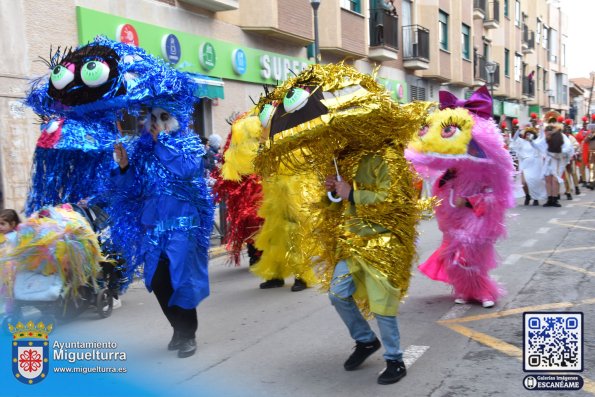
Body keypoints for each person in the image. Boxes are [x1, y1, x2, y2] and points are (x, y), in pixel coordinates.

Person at [112, 107, 213, 358]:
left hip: (183, 224)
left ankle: (187, 333)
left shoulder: (188, 143)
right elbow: (130, 188)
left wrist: (163, 142)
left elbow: (187, 170)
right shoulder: (143, 152)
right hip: (154, 228)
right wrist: (124, 166)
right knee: (157, 280)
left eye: (164, 117)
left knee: (182, 279)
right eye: (152, 118)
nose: (156, 123)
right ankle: (177, 327)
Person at [324, 153, 407, 386]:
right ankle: (366, 340)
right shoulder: (347, 157)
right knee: (337, 293)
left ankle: (395, 359)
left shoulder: (390, 158)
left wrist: (351, 193)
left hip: (381, 242)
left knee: (382, 303)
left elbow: (391, 199)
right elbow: (338, 204)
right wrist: (333, 190)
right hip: (353, 242)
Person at [511, 126, 547, 206]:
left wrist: (541, 128)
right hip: (525, 165)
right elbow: (514, 139)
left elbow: (542, 137)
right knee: (524, 182)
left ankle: (535, 198)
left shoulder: (536, 142)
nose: (528, 135)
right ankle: (527, 195)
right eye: (526, 134)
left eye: (529, 134)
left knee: (534, 182)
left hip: (535, 165)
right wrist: (519, 130)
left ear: (533, 135)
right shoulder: (522, 142)